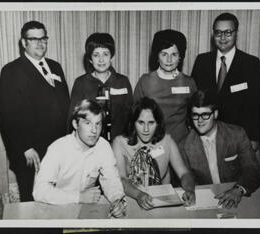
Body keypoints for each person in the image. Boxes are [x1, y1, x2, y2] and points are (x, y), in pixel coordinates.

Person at [0, 21, 70, 201]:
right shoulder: (11, 71)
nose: (40, 43)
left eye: (43, 38)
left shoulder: (55, 66)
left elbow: (65, 104)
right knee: (32, 201)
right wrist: (25, 147)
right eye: (33, 39)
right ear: (24, 42)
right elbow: (7, 115)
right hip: (30, 153)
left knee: (58, 198)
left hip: (58, 148)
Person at [33, 99, 126, 218]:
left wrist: (117, 200)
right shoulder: (58, 148)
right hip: (57, 210)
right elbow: (40, 191)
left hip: (86, 212)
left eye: (98, 124)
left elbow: (111, 180)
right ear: (75, 124)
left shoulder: (103, 146)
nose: (94, 130)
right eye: (87, 123)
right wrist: (78, 197)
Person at [191, 12, 260, 153]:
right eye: (218, 33)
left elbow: (257, 104)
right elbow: (194, 99)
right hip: (207, 135)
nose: (223, 37)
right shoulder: (202, 61)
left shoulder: (251, 63)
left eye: (228, 32)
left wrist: (255, 138)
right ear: (213, 35)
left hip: (239, 137)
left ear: (236, 33)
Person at [179, 90, 260, 209]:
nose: (200, 120)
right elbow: (187, 176)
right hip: (207, 201)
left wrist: (238, 190)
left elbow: (253, 169)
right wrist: (189, 190)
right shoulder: (185, 145)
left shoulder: (237, 134)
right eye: (195, 115)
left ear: (216, 114)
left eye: (205, 114)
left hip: (240, 196)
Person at [133, 29, 197, 186]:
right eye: (164, 54)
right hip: (152, 147)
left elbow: (195, 118)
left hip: (182, 149)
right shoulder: (145, 81)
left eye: (174, 54)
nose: (169, 60)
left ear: (181, 56)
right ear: (157, 55)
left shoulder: (189, 83)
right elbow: (134, 117)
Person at [112, 97, 195, 210]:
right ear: (133, 123)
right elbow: (120, 179)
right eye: (141, 122)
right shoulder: (119, 143)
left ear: (158, 123)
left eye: (151, 123)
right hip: (131, 198)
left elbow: (184, 173)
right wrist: (138, 195)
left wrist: (189, 190)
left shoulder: (167, 141)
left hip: (161, 203)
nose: (146, 129)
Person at [68, 32, 133, 142]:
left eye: (105, 54)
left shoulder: (123, 82)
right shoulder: (81, 83)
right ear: (90, 59)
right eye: (96, 55)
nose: (101, 59)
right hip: (90, 144)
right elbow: (73, 119)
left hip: (119, 143)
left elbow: (131, 116)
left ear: (111, 56)